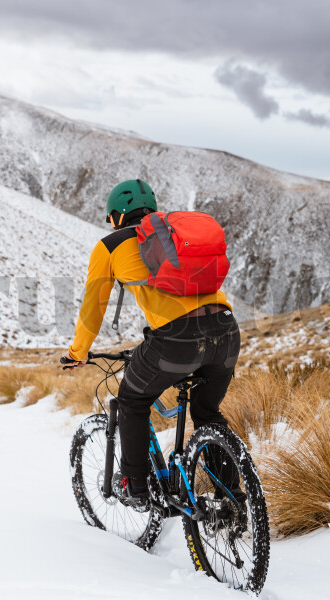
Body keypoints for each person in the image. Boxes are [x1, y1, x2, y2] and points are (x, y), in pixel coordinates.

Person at [60, 179, 241, 506]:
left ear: (116, 216)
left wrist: (78, 352)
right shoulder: (173, 235)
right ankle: (233, 500)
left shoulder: (111, 245)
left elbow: (93, 306)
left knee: (132, 399)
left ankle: (136, 486)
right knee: (206, 412)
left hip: (176, 339)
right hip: (226, 331)